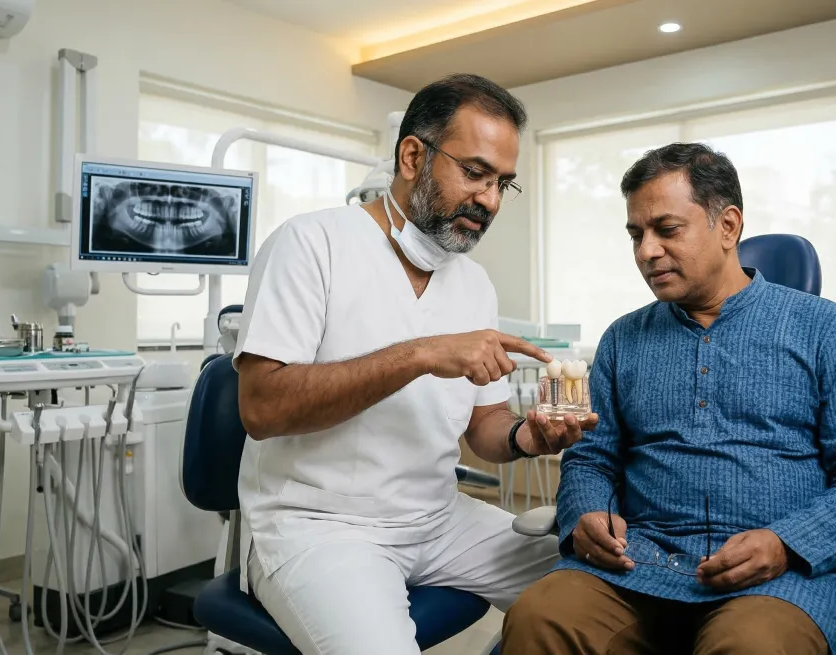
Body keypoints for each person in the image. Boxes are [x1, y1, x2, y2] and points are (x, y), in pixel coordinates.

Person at [232, 74, 597, 654]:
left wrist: (530, 436)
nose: (490, 200)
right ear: (411, 156)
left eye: (504, 183)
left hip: (439, 519)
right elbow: (262, 408)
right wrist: (422, 353)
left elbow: (484, 430)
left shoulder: (473, 284)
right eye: (475, 173)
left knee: (601, 591)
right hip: (319, 527)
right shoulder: (311, 244)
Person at [502, 143, 836, 655]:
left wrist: (786, 544)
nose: (646, 251)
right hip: (638, 564)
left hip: (781, 578)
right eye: (636, 234)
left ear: (728, 227)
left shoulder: (823, 328)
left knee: (752, 646)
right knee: (539, 618)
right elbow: (590, 459)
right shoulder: (622, 339)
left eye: (667, 230)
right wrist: (585, 514)